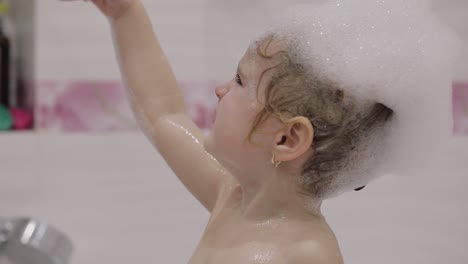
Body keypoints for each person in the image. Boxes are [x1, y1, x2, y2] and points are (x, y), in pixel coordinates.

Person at [72, 0, 394, 263]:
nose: (220, 89)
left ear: (287, 138)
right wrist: (126, 13)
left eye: (240, 81)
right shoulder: (232, 198)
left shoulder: (309, 252)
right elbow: (163, 114)